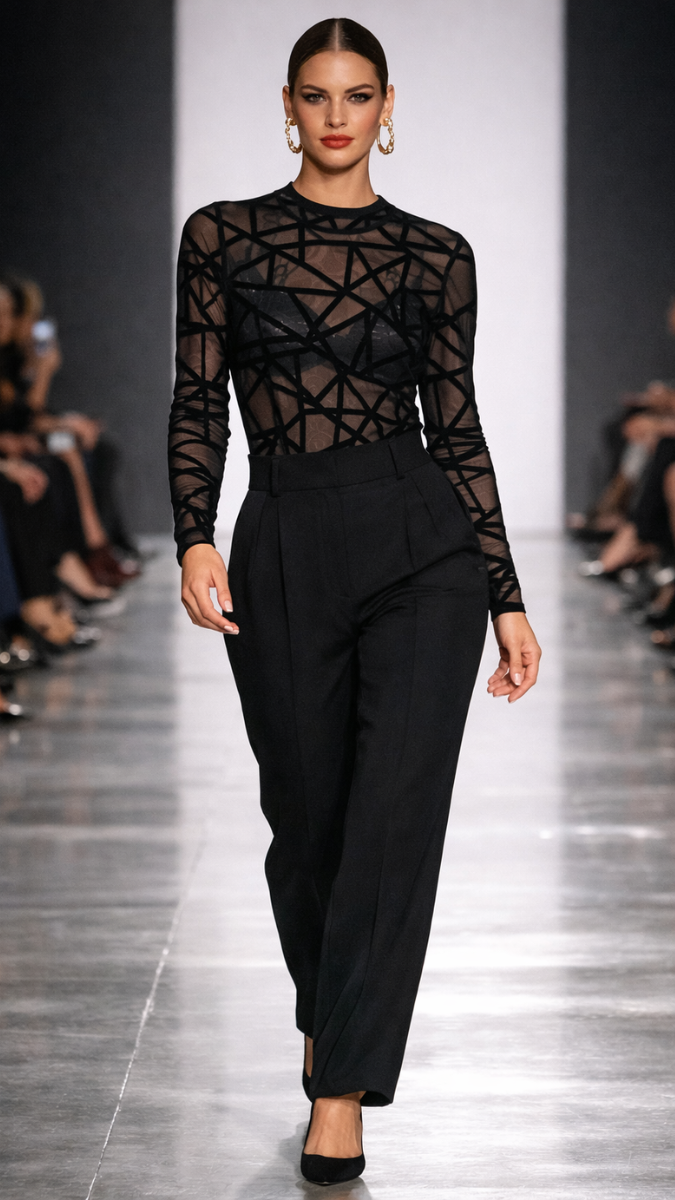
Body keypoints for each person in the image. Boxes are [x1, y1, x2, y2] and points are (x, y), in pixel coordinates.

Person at [169, 17, 541, 1186]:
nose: (339, 116)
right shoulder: (221, 237)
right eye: (318, 95)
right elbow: (197, 398)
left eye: (359, 94)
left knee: (392, 820)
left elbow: (457, 426)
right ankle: (328, 1008)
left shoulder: (438, 254)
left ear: (388, 107)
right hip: (284, 537)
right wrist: (192, 534)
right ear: (289, 106)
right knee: (309, 822)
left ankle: (342, 1092)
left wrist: (506, 593)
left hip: (421, 548)